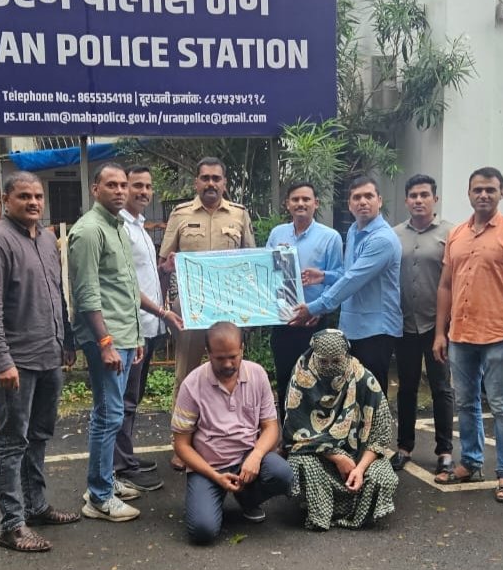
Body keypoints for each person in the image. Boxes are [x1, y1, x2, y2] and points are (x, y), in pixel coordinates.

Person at [69, 163, 181, 522]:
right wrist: (105, 342)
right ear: (95, 189)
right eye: (112, 185)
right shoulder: (89, 231)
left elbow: (128, 288)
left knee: (111, 413)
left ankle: (104, 480)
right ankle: (99, 496)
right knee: (108, 415)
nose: (120, 190)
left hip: (125, 333)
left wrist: (158, 317)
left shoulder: (117, 226)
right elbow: (87, 293)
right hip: (108, 337)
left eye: (122, 185)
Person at [0, 172, 79, 552]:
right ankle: (12, 525)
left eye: (37, 196)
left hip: (49, 354)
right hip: (16, 361)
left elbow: (57, 293)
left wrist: (67, 338)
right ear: (6, 200)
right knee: (11, 442)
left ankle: (35, 506)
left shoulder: (47, 239)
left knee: (39, 435)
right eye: (24, 196)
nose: (33, 202)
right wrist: (1, 360)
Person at [433, 167, 503, 503]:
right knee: (466, 402)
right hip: (461, 335)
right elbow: (445, 286)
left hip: (498, 335)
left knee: (502, 406)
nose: (483, 195)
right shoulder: (457, 234)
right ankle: (471, 462)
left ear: (501, 193)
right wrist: (440, 333)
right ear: (469, 193)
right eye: (477, 189)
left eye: (490, 189)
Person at [159, 156, 255, 470]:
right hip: (191, 311)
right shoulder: (180, 214)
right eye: (205, 178)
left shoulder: (239, 214)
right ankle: (181, 445)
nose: (210, 183)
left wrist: (250, 313)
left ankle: (231, 439)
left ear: (224, 183)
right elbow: (163, 263)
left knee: (232, 374)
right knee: (186, 375)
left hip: (229, 313)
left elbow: (251, 262)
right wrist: (165, 304)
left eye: (216, 178)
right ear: (196, 183)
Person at [171, 321, 293, 544]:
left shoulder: (257, 374)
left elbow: (271, 427)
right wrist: (214, 475)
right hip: (208, 465)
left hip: (246, 459)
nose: (228, 364)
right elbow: (181, 444)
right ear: (208, 352)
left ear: (242, 350)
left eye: (233, 356)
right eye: (219, 358)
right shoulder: (192, 384)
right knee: (202, 532)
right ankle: (212, 497)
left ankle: (247, 498)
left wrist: (256, 456)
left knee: (282, 474)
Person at [291, 176, 402, 395]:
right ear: (349, 204)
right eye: (357, 197)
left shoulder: (382, 240)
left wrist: (313, 308)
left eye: (369, 196)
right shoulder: (353, 231)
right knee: (353, 395)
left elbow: (353, 280)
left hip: (376, 331)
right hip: (353, 328)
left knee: (372, 397)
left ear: (379, 201)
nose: (363, 202)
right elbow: (347, 273)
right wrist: (324, 276)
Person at [283, 328, 397, 530]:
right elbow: (295, 435)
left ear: (346, 355)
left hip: (359, 456)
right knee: (298, 463)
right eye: (323, 361)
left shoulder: (363, 378)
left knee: (383, 477)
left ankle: (347, 505)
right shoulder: (301, 378)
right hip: (320, 456)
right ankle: (322, 512)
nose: (330, 367)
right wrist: (336, 457)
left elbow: (380, 435)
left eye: (336, 361)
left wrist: (359, 469)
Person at [114, 165, 182, 492]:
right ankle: (120, 467)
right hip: (132, 328)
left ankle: (125, 456)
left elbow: (143, 274)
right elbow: (126, 284)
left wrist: (163, 269)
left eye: (147, 186)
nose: (143, 191)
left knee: (134, 396)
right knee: (124, 400)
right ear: (123, 188)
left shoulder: (138, 225)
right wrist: (163, 312)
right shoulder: (120, 228)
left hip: (148, 327)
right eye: (136, 185)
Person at [391, 174, 454, 475]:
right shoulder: (394, 235)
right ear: (406, 201)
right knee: (406, 387)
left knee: (441, 388)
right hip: (404, 325)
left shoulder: (451, 233)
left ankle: (445, 451)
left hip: (437, 326)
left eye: (424, 195)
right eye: (413, 195)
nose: (419, 200)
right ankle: (404, 447)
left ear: (435, 199)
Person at [266, 181, 343, 419]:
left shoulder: (330, 237)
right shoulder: (277, 234)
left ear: (316, 203)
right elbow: (266, 271)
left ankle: (315, 434)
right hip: (284, 321)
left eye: (306, 199)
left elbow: (340, 278)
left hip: (314, 322)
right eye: (295, 199)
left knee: (317, 383)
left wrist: (318, 310)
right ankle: (287, 431)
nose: (301, 203)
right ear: (287, 204)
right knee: (285, 379)